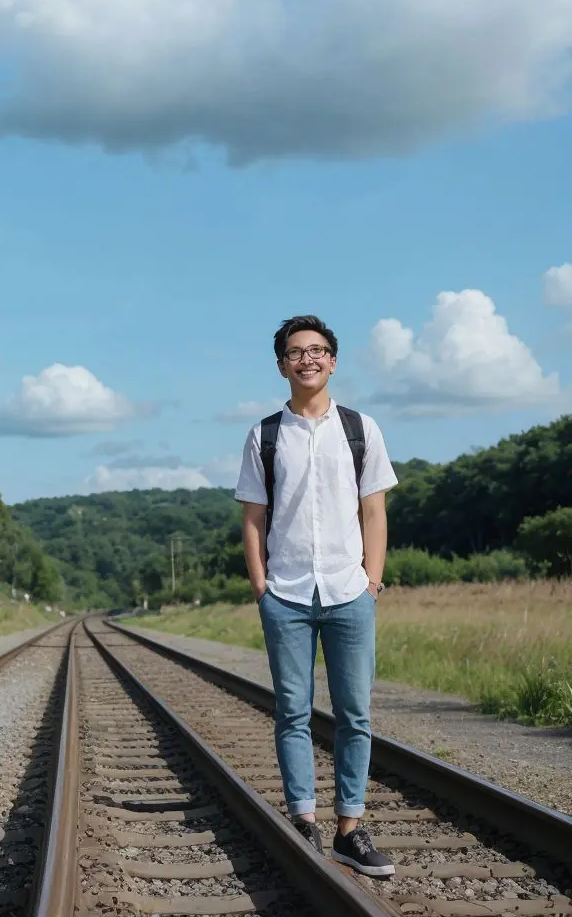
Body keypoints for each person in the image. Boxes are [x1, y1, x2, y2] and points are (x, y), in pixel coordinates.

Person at [235, 315, 397, 878]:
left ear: (333, 361)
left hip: (349, 591)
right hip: (288, 593)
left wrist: (371, 581)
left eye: (319, 350)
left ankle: (350, 829)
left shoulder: (360, 429)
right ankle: (303, 820)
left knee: (355, 714)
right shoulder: (265, 435)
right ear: (281, 365)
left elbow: (373, 510)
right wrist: (262, 587)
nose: (308, 359)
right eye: (297, 352)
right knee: (292, 713)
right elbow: (253, 520)